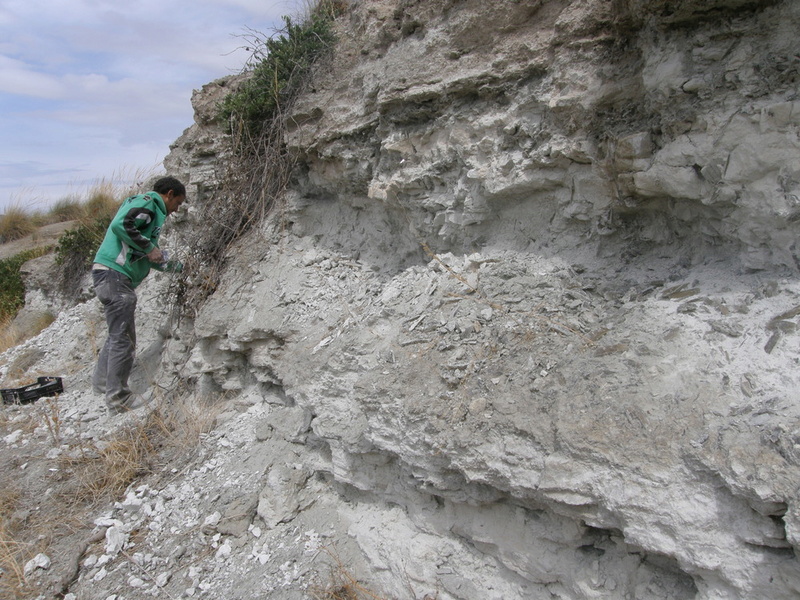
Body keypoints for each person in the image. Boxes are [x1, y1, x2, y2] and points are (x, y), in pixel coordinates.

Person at [91, 176, 186, 415]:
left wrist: (179, 267)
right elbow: (121, 225)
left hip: (109, 275)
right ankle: (118, 400)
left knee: (116, 335)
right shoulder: (150, 204)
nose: (177, 210)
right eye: (178, 203)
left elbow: (148, 257)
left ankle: (101, 385)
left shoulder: (151, 215)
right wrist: (150, 247)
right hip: (114, 275)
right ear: (169, 194)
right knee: (124, 339)